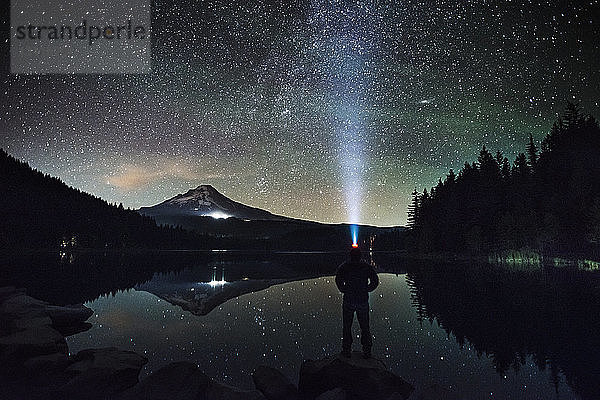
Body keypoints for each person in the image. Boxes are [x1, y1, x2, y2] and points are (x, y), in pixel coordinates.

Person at [335, 247, 379, 359]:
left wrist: (343, 289)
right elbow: (375, 281)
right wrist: (367, 289)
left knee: (347, 327)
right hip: (362, 301)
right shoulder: (366, 267)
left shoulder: (344, 266)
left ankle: (346, 350)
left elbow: (338, 279)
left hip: (349, 301)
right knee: (365, 327)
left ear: (350, 255)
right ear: (360, 255)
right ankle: (367, 352)